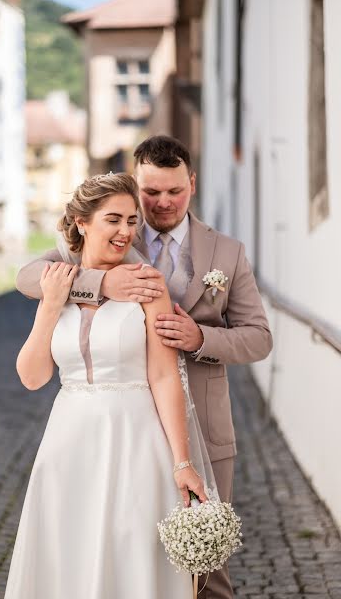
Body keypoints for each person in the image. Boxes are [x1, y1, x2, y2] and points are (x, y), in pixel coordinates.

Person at [16, 136, 273, 598]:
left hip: (182, 430)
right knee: (74, 553)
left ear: (191, 185)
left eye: (174, 191)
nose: (161, 204)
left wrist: (199, 337)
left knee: (203, 571)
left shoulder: (225, 253)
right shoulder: (91, 253)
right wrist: (101, 283)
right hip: (77, 437)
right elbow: (27, 278)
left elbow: (257, 337)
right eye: (149, 193)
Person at [4, 173, 206, 599]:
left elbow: (164, 376)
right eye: (113, 219)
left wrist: (182, 462)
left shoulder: (147, 286)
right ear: (81, 222)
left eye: (132, 221)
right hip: (68, 440)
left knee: (129, 552)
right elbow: (33, 376)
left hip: (135, 438)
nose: (125, 232)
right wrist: (51, 306)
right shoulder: (57, 280)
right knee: (67, 553)